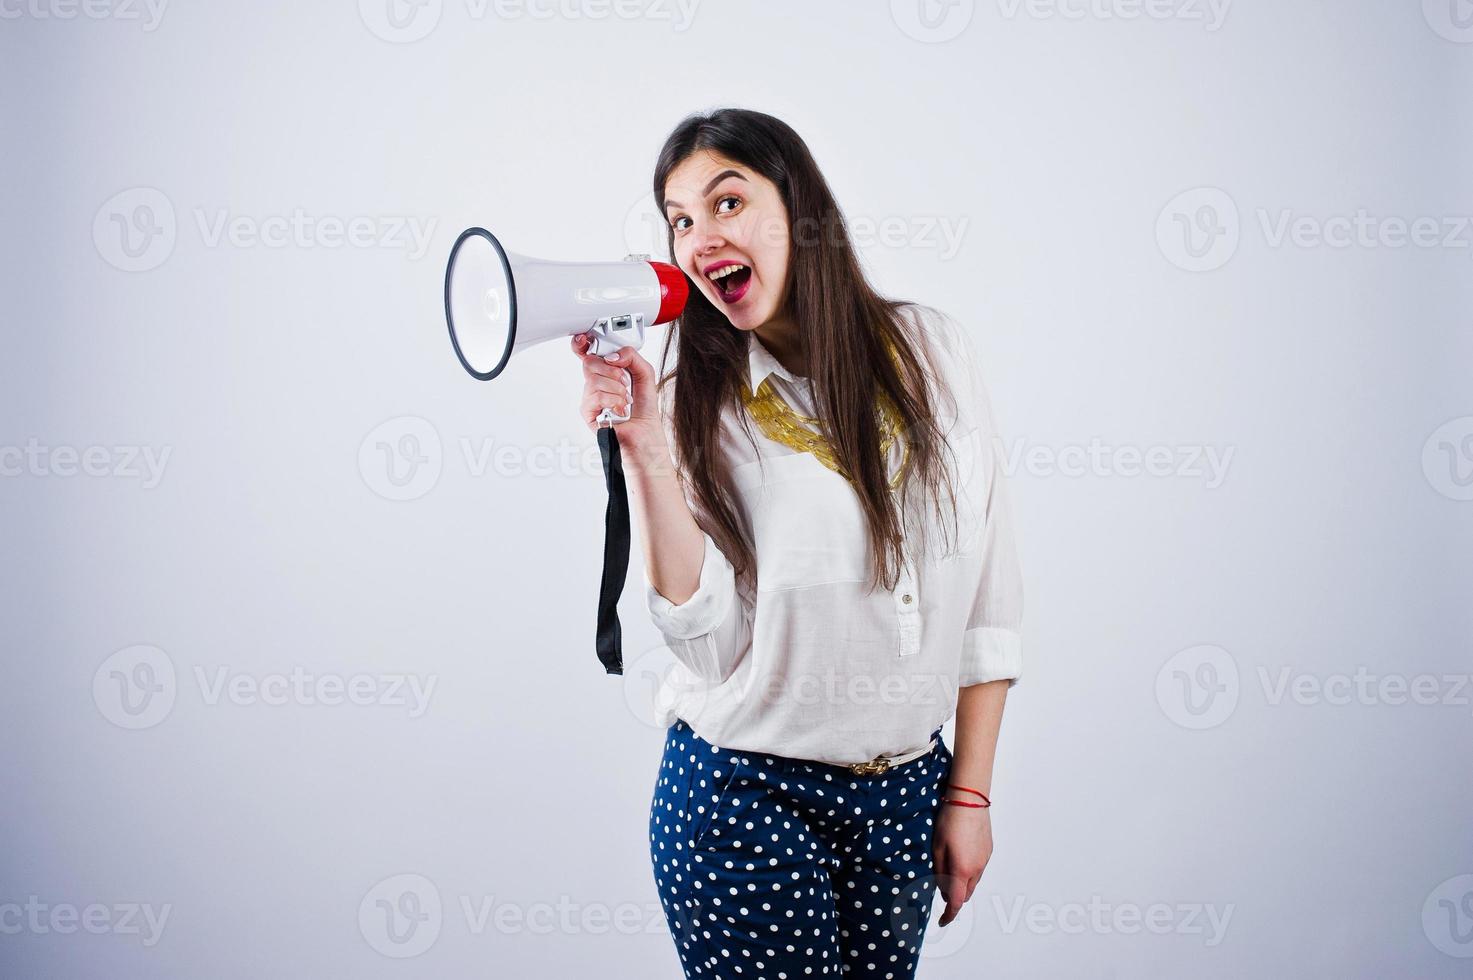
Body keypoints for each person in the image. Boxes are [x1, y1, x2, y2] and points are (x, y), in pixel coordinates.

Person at [571, 107, 1024, 979]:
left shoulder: (934, 351)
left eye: (726, 202)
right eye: (679, 220)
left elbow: (989, 590)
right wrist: (648, 453)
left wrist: (967, 791)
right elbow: (708, 649)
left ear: (798, 207)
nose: (701, 237)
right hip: (747, 799)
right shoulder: (693, 405)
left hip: (904, 794)